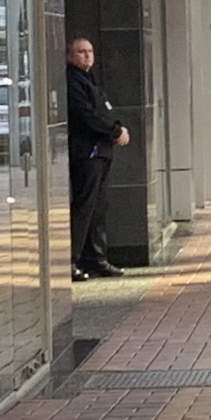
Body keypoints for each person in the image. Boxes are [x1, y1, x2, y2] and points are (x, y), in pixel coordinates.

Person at [65, 36, 127, 279]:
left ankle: (96, 258)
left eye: (90, 51)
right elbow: (86, 114)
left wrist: (117, 127)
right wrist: (114, 131)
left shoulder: (89, 79)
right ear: (69, 55)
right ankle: (71, 260)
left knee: (97, 208)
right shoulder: (72, 80)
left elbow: (104, 109)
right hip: (87, 152)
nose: (87, 56)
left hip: (101, 151)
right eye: (81, 52)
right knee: (84, 207)